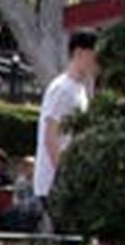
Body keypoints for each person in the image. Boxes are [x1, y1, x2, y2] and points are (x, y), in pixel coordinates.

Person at [35, 29, 98, 219]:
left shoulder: (80, 91)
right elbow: (50, 137)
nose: (97, 63)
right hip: (55, 184)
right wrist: (66, 178)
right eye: (94, 56)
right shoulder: (62, 89)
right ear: (79, 53)